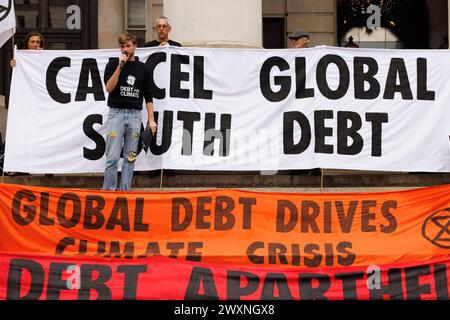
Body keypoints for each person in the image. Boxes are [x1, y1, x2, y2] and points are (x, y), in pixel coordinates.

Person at [103, 33, 157, 191]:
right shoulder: (113, 64)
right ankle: (109, 191)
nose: (125, 49)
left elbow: (148, 94)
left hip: (134, 115)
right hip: (116, 113)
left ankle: (125, 192)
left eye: (128, 46)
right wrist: (120, 66)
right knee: (112, 158)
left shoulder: (143, 68)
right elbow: (109, 88)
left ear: (135, 46)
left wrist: (151, 119)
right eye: (122, 46)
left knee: (130, 157)